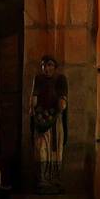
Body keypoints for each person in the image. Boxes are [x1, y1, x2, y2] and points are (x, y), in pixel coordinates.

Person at [30, 56, 67, 192]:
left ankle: (55, 178)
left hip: (55, 119)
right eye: (44, 65)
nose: (47, 68)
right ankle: (42, 178)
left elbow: (63, 99)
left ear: (55, 67)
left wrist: (61, 102)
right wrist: (34, 108)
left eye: (50, 65)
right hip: (41, 120)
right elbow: (34, 98)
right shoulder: (38, 79)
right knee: (41, 149)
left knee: (56, 149)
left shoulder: (60, 79)